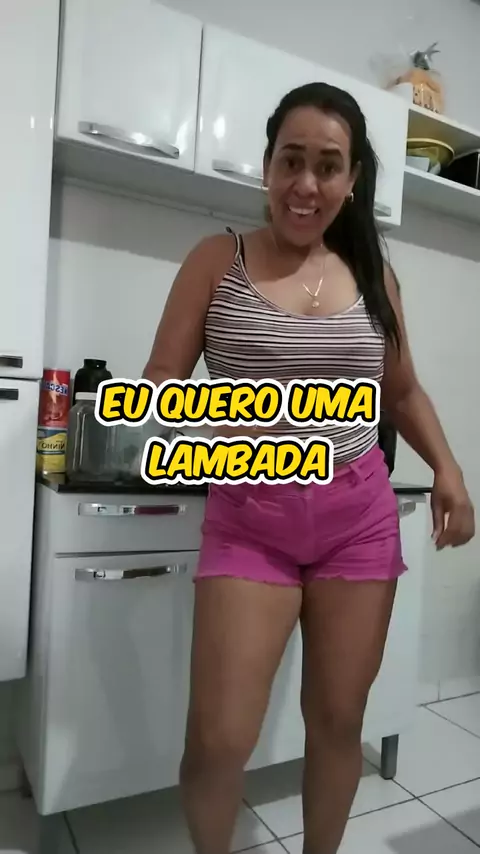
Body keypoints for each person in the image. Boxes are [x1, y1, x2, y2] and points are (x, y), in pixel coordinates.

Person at [143, 82, 475, 854]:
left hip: (358, 522)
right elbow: (161, 378)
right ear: (266, 166)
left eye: (328, 166)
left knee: (337, 722)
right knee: (218, 740)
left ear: (352, 179)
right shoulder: (216, 260)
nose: (306, 183)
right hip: (249, 522)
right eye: (291, 160)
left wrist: (450, 469)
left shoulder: (373, 274)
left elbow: (401, 391)